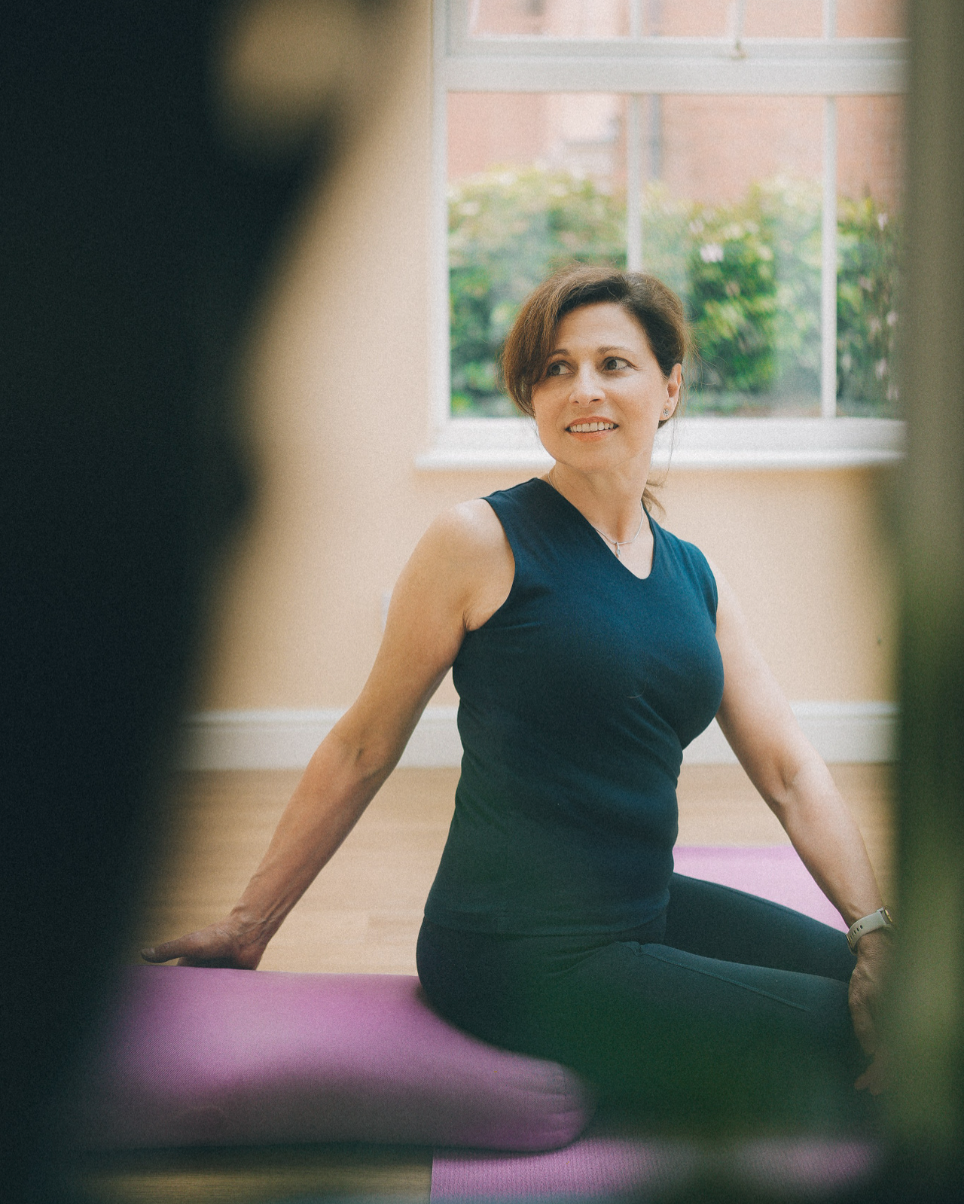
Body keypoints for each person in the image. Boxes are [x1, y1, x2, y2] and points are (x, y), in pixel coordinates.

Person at [144, 264, 891, 1132]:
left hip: (642, 905)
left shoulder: (691, 573)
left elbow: (790, 768)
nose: (583, 390)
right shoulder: (480, 539)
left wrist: (874, 929)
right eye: (555, 368)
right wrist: (249, 926)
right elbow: (362, 745)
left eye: (614, 364)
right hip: (516, 951)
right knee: (881, 1039)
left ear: (670, 386)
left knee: (900, 994)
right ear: (530, 396)